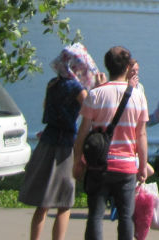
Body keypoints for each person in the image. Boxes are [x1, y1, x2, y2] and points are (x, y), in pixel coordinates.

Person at [20, 43, 98, 240]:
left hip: (46, 141)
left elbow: (46, 107)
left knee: (43, 202)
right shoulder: (77, 88)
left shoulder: (52, 84)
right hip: (64, 146)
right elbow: (92, 109)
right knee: (64, 202)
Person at [73, 45, 148, 240]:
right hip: (126, 167)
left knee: (95, 216)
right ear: (127, 68)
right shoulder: (138, 95)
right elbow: (141, 135)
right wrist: (143, 166)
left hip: (99, 165)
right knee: (125, 216)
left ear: (107, 66)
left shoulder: (95, 94)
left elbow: (82, 133)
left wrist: (77, 162)